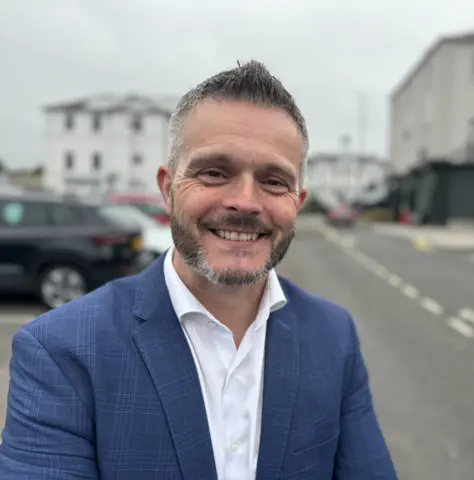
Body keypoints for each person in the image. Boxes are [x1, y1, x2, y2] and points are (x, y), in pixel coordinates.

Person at [0, 61, 397, 480]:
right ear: (167, 190)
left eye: (273, 180)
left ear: (296, 203)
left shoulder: (334, 337)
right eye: (214, 172)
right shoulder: (61, 351)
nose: (245, 201)